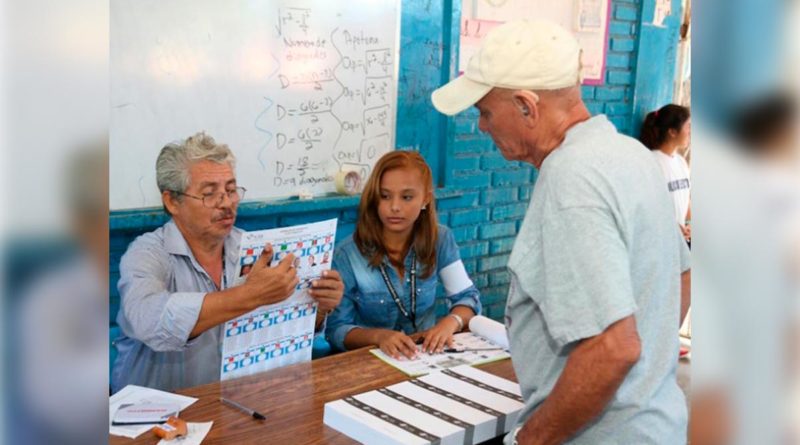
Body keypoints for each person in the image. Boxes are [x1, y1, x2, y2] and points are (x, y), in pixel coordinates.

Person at [431, 20, 691, 444]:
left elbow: (613, 349)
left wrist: (530, 439)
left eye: (484, 111)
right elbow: (684, 274)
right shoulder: (630, 153)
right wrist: (644, 380)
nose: (481, 126)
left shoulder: (572, 179)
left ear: (526, 107)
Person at [112, 132, 344, 392]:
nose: (227, 203)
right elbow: (147, 319)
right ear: (172, 201)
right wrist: (249, 295)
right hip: (154, 415)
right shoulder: (147, 253)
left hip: (233, 406)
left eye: (231, 191)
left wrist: (319, 307)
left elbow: (276, 328)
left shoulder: (253, 247)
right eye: (210, 194)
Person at [326, 151, 482, 359]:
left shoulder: (441, 239)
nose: (395, 207)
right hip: (368, 363)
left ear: (425, 199)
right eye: (385, 196)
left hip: (424, 356)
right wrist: (379, 337)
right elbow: (336, 330)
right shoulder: (347, 254)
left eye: (407, 197)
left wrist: (449, 323)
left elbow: (467, 298)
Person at [640, 104, 692, 242]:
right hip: (659, 242)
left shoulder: (682, 162)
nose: (691, 132)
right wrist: (673, 227)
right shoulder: (651, 161)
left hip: (680, 242)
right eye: (688, 127)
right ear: (672, 132)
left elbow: (685, 203)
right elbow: (646, 207)